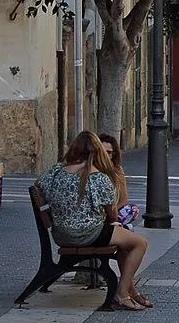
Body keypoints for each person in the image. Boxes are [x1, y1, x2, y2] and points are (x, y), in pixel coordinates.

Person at [38, 131, 150, 310]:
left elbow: (39, 185)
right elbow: (113, 216)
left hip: (60, 234)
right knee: (140, 244)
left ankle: (130, 292)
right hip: (89, 234)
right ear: (97, 152)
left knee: (124, 243)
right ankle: (121, 294)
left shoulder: (56, 170)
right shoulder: (98, 177)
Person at [96, 132, 142, 231]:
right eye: (101, 151)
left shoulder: (117, 170)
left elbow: (123, 201)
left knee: (132, 210)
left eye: (108, 152)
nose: (105, 155)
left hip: (113, 212)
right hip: (93, 216)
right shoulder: (90, 170)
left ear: (113, 155)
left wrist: (112, 214)